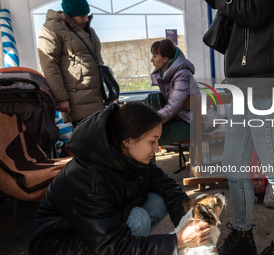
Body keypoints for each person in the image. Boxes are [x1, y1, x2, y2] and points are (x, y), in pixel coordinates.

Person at [29, 102, 211, 255]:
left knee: (157, 200)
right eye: (152, 141)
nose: (158, 149)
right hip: (59, 246)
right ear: (128, 140)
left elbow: (166, 184)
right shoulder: (91, 180)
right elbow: (111, 247)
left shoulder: (128, 155)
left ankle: (137, 247)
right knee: (137, 220)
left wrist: (190, 219)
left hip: (96, 230)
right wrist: (177, 241)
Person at [205, 1, 274, 255]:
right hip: (247, 82)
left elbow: (253, 11)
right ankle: (242, 235)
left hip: (270, 82)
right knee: (234, 162)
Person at [38, 0, 105, 127]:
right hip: (77, 100)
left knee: (99, 140)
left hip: (96, 97)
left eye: (87, 14)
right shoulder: (52, 28)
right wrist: (61, 98)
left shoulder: (87, 30)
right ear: (70, 15)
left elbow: (98, 61)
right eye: (81, 16)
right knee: (87, 141)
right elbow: (49, 65)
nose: (86, 19)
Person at [149, 39, 220, 146]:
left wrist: (150, 121)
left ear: (165, 59)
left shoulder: (182, 75)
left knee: (149, 137)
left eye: (155, 56)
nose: (152, 60)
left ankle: (144, 163)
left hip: (193, 122)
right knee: (147, 133)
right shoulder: (165, 75)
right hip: (180, 118)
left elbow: (173, 106)